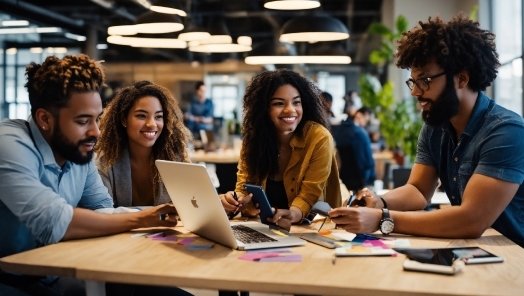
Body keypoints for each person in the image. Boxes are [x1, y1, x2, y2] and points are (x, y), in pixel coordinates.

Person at [329, 14, 524, 264]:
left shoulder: (509, 133)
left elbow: (471, 220)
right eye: (413, 81)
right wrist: (380, 201)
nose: (414, 91)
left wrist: (382, 219)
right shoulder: (436, 126)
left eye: (424, 80)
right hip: (472, 254)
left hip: (522, 263)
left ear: (461, 79)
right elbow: (419, 190)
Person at [0, 54, 202, 296]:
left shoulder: (78, 153)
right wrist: (139, 218)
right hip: (7, 277)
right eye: (83, 121)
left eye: (96, 119)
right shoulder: (9, 143)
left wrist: (153, 216)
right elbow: (52, 221)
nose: (95, 131)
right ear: (44, 119)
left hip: (54, 272)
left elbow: (103, 211)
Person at [219, 69, 342, 232]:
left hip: (310, 231)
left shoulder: (318, 138)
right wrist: (234, 201)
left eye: (296, 102)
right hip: (263, 229)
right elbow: (243, 187)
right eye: (279, 103)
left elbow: (308, 197)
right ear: (263, 109)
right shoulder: (253, 139)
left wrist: (291, 214)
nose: (290, 110)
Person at [95, 80, 193, 207]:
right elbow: (101, 211)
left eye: (158, 117)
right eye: (141, 116)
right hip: (123, 227)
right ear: (124, 119)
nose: (152, 124)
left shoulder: (176, 158)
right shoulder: (106, 161)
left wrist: (220, 201)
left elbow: (193, 203)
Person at [332, 106, 376, 188]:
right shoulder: (360, 134)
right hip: (359, 182)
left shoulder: (338, 129)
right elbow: (367, 161)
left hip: (341, 179)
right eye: (366, 120)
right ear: (359, 115)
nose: (366, 124)